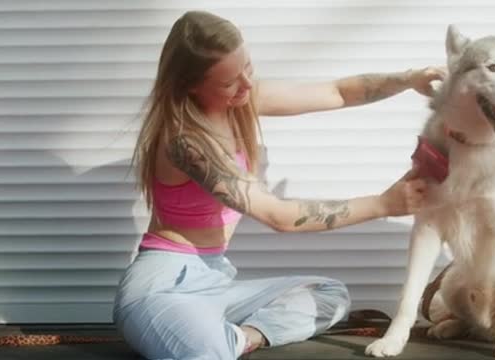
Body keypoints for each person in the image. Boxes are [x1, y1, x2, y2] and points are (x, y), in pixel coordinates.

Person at [112, 10, 445, 360]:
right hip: (163, 286)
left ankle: (241, 338)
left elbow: (337, 92)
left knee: (329, 295)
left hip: (217, 281)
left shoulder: (241, 100)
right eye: (229, 82)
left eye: (248, 69)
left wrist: (409, 79)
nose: (246, 85)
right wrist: (383, 204)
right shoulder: (185, 141)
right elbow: (279, 216)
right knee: (206, 351)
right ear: (190, 85)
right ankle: (218, 339)